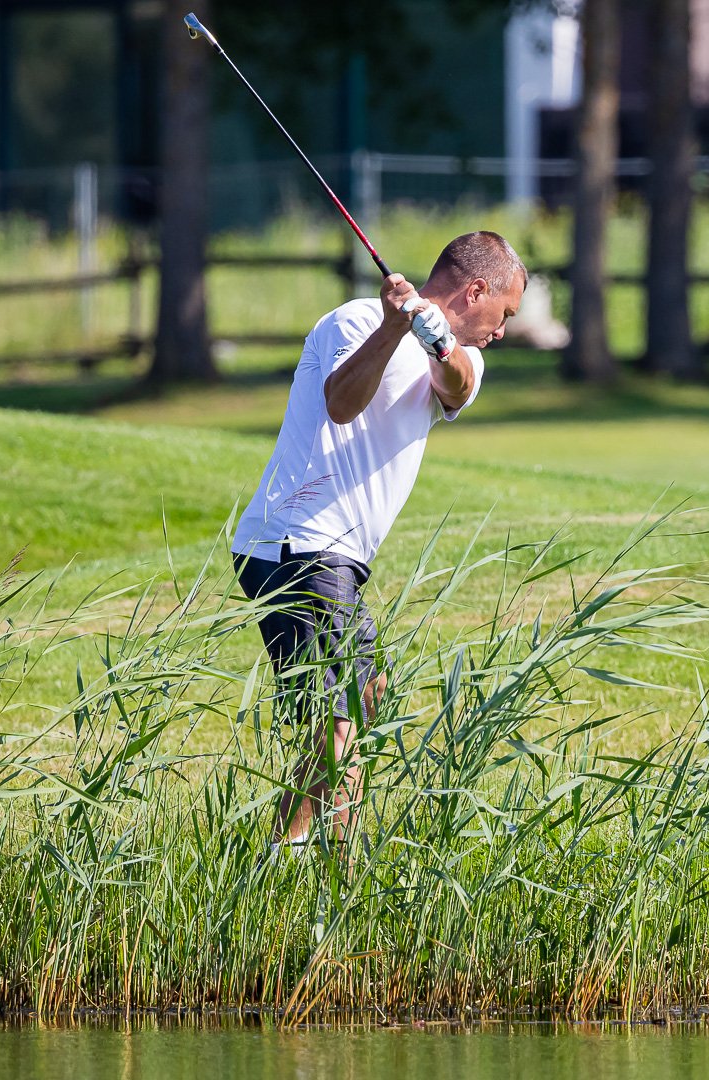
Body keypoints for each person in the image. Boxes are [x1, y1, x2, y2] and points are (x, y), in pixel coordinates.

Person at [232, 231, 527, 847]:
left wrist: (434, 336)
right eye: (504, 314)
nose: (501, 330)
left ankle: (297, 856)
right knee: (345, 717)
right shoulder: (358, 319)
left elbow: (455, 385)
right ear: (476, 290)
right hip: (300, 541)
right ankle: (318, 867)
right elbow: (341, 404)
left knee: (360, 701)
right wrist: (395, 329)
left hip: (329, 554)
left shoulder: (469, 355)